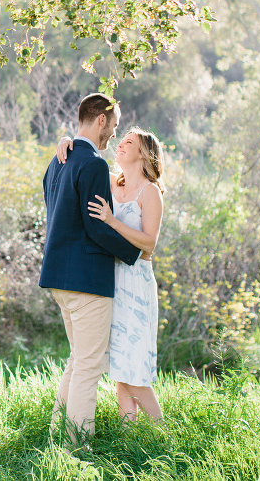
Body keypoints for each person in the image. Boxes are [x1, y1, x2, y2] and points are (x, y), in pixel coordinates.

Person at [40, 94, 142, 443]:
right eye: (113, 127)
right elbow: (97, 226)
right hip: (87, 281)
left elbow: (59, 216)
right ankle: (76, 448)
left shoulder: (57, 162)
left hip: (58, 278)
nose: (112, 135)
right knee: (89, 366)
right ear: (100, 120)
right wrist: (134, 254)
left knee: (78, 360)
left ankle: (58, 434)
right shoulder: (94, 164)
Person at [56, 127, 165, 423]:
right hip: (110, 280)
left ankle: (164, 434)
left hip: (136, 283)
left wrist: (112, 221)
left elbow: (148, 244)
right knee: (119, 367)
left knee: (135, 374)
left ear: (143, 153)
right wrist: (68, 142)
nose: (120, 144)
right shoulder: (111, 183)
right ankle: (128, 436)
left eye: (129, 141)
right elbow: (82, 160)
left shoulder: (150, 191)